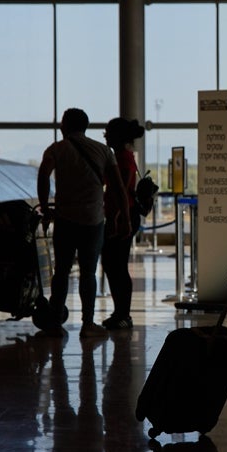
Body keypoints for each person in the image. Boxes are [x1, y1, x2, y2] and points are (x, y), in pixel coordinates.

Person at [37, 108, 128, 338]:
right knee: (88, 273)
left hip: (65, 220)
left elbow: (43, 175)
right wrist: (125, 217)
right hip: (93, 221)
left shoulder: (56, 149)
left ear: (64, 126)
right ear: (86, 126)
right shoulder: (103, 150)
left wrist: (46, 208)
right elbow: (118, 187)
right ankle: (88, 324)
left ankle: (55, 323)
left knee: (61, 272)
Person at [100, 116, 145, 330]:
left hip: (121, 217)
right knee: (114, 265)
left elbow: (121, 190)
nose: (105, 135)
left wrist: (116, 217)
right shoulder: (121, 156)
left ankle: (123, 313)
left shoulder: (123, 158)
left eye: (108, 132)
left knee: (116, 265)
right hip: (120, 216)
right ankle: (120, 313)